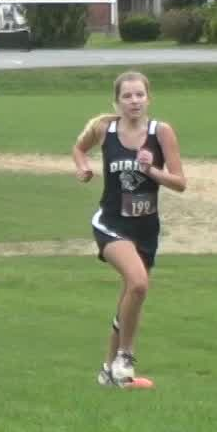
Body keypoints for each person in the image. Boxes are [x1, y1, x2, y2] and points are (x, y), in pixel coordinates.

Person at [73, 70, 187, 388]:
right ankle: (126, 355)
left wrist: (151, 170)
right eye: (127, 96)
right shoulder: (104, 129)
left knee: (130, 296)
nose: (134, 101)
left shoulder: (161, 132)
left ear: (149, 98)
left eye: (139, 95)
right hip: (110, 224)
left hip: (146, 229)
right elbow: (79, 149)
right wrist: (83, 169)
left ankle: (110, 374)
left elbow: (180, 183)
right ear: (117, 101)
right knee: (137, 284)